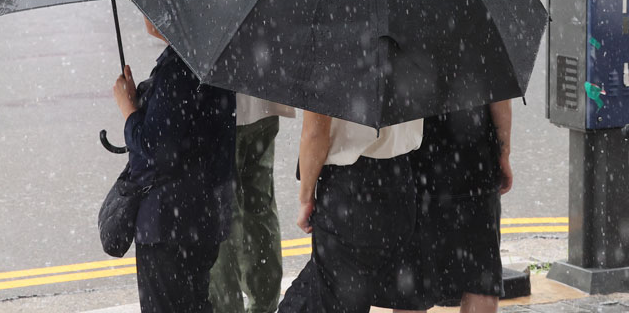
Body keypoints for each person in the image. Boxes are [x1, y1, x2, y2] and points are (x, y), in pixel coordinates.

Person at [112, 19, 236, 313]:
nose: (143, 14)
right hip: (200, 217)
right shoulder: (208, 60)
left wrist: (128, 109)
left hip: (168, 224)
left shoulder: (177, 69)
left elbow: (158, 149)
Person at [278, 111, 432, 313]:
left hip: (350, 189)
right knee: (404, 294)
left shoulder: (336, 77)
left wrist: (306, 197)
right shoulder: (410, 76)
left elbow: (315, 133)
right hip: (401, 180)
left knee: (327, 300)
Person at [412, 102, 515, 312]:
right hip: (474, 157)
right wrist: (503, 152)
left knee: (413, 283)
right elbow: (500, 95)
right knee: (481, 277)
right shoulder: (485, 67)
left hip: (415, 157)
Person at [209, 95, 296, 313]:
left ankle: (226, 308)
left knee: (220, 220)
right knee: (260, 209)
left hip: (219, 112)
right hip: (263, 102)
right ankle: (264, 303)